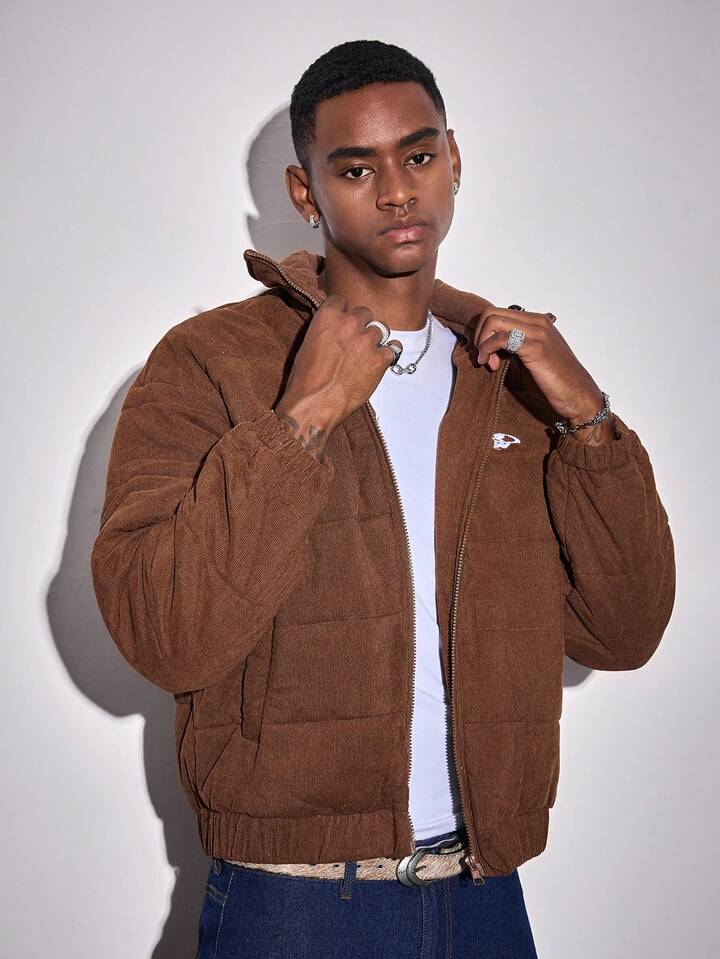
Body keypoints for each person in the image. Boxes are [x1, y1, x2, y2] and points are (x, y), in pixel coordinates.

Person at [91, 39, 676, 959]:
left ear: (455, 160)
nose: (398, 191)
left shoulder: (510, 378)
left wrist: (586, 418)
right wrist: (302, 419)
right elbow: (166, 637)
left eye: (419, 155)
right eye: (356, 169)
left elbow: (625, 630)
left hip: (486, 895)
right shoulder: (210, 362)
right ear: (305, 192)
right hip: (293, 904)